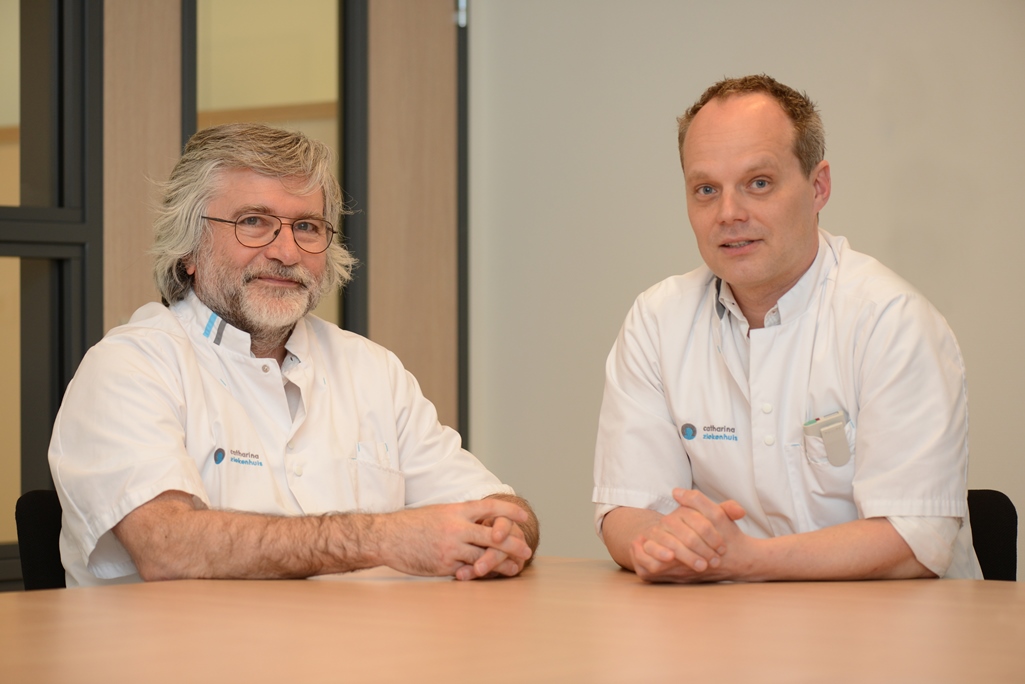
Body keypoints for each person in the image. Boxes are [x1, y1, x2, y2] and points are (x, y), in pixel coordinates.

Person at [49, 123, 538, 587]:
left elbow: (505, 509)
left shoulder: (372, 370)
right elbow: (167, 547)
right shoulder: (129, 366)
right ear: (190, 249)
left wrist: (501, 536)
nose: (286, 252)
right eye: (253, 222)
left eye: (306, 226)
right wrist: (386, 538)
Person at [592, 74, 981, 582]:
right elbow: (626, 509)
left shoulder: (890, 320)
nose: (728, 213)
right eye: (706, 190)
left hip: (892, 623)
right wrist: (658, 546)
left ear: (818, 187)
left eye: (759, 183)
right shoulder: (657, 320)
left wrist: (745, 560)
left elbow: (915, 541)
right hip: (727, 619)